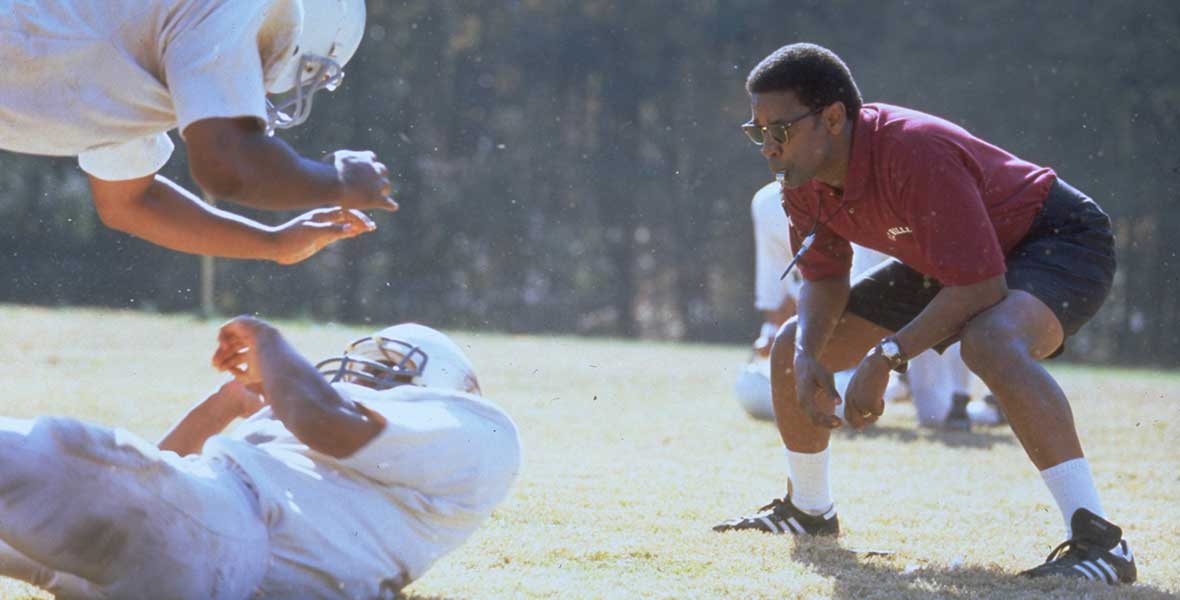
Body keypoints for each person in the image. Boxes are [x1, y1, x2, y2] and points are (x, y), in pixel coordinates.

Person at [714, 43, 1134, 585]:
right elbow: (823, 275)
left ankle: (1103, 543)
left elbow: (982, 284)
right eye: (758, 132)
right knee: (795, 342)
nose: (768, 147)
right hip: (950, 258)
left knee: (989, 340)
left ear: (834, 118)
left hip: (1055, 239)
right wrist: (806, 354)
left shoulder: (913, 149)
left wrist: (885, 358)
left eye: (781, 130)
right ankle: (809, 511)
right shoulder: (801, 178)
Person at [0, 316, 521, 598]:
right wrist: (226, 403)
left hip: (231, 538)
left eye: (383, 366)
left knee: (47, 456)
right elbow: (155, 483)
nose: (357, 374)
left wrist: (269, 340)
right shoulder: (355, 459)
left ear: (446, 390)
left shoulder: (480, 432)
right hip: (199, 550)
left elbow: (326, 424)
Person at [0, 0, 393, 265]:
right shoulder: (225, 11)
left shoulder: (142, 64)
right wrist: (340, 181)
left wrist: (273, 243)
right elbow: (227, 166)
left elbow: (131, 202)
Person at [738, 180, 1001, 430]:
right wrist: (774, 335)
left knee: (938, 413)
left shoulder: (868, 190)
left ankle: (975, 403)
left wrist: (884, 358)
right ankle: (901, 383)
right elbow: (780, 294)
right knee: (789, 389)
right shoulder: (768, 203)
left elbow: (862, 302)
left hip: (905, 307)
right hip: (847, 324)